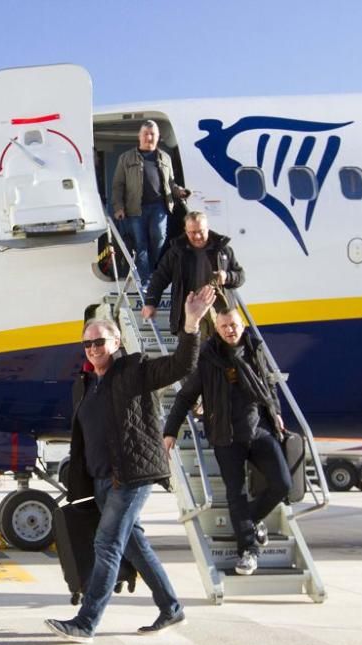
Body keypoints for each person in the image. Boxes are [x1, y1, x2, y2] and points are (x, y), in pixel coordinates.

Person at [45, 284, 216, 643]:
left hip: (131, 478)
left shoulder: (134, 371)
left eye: (99, 342)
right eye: (87, 344)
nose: (93, 349)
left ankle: (86, 622)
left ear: (117, 342)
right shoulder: (86, 384)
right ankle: (172, 608)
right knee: (135, 546)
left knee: (106, 545)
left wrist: (191, 324)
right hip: (102, 481)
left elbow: (181, 364)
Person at [162, 308, 290, 576]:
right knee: (236, 493)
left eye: (233, 324)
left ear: (242, 325)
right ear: (217, 329)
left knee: (282, 484)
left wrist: (276, 411)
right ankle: (248, 551)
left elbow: (269, 385)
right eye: (224, 327)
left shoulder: (255, 350)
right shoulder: (209, 359)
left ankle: (250, 521)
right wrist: (170, 431)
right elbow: (185, 396)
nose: (229, 330)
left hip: (258, 429)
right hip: (226, 435)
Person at [111, 120, 190, 287]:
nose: (149, 137)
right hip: (135, 209)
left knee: (159, 239)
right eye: (146, 133)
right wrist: (118, 207)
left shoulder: (165, 158)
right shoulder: (126, 158)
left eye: (152, 134)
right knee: (141, 244)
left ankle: (155, 273)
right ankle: (146, 282)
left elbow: (171, 183)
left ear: (158, 137)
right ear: (139, 136)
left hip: (159, 207)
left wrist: (180, 192)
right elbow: (118, 185)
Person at [142, 211, 245, 336]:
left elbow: (240, 276)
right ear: (186, 231)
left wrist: (226, 277)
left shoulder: (223, 250)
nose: (197, 236)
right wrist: (151, 303)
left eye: (200, 231)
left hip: (220, 317)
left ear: (207, 228)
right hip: (189, 316)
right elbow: (159, 278)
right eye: (192, 232)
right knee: (192, 353)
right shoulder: (176, 252)